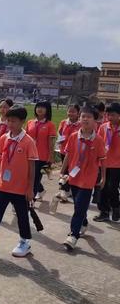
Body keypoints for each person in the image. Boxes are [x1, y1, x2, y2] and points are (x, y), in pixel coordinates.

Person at [0, 105, 38, 259]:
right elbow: (0, 161)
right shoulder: (4, 138)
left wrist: (30, 189)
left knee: (22, 216)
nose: (10, 124)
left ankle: (24, 242)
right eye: (8, 120)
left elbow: (32, 168)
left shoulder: (28, 141)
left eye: (14, 121)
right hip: (3, 186)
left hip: (20, 189)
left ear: (22, 121)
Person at [61, 105, 106, 250]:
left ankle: (73, 236)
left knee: (79, 206)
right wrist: (63, 171)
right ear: (79, 118)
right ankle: (84, 223)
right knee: (77, 205)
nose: (85, 119)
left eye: (89, 117)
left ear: (95, 121)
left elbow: (102, 160)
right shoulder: (74, 136)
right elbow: (68, 154)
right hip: (74, 176)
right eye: (83, 116)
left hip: (88, 179)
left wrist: (103, 177)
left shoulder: (98, 140)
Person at [94, 102, 120, 223]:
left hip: (117, 164)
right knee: (101, 187)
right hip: (103, 163)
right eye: (108, 115)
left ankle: (116, 207)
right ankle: (103, 211)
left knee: (112, 188)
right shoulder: (103, 127)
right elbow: (98, 143)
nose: (110, 117)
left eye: (113, 115)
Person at [26, 101, 56, 202]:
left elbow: (51, 142)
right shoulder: (30, 122)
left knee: (35, 178)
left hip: (42, 156)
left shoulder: (50, 125)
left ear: (47, 110)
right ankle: (41, 190)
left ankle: (31, 200)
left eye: (43, 107)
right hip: (29, 154)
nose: (40, 109)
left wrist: (51, 156)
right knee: (29, 176)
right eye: (38, 107)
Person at [55, 104, 81, 201]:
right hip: (63, 150)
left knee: (70, 171)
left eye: (73, 111)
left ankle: (65, 191)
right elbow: (60, 133)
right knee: (65, 170)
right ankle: (65, 190)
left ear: (78, 113)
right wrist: (60, 140)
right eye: (69, 111)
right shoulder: (63, 122)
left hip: (75, 153)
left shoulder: (80, 125)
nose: (70, 113)